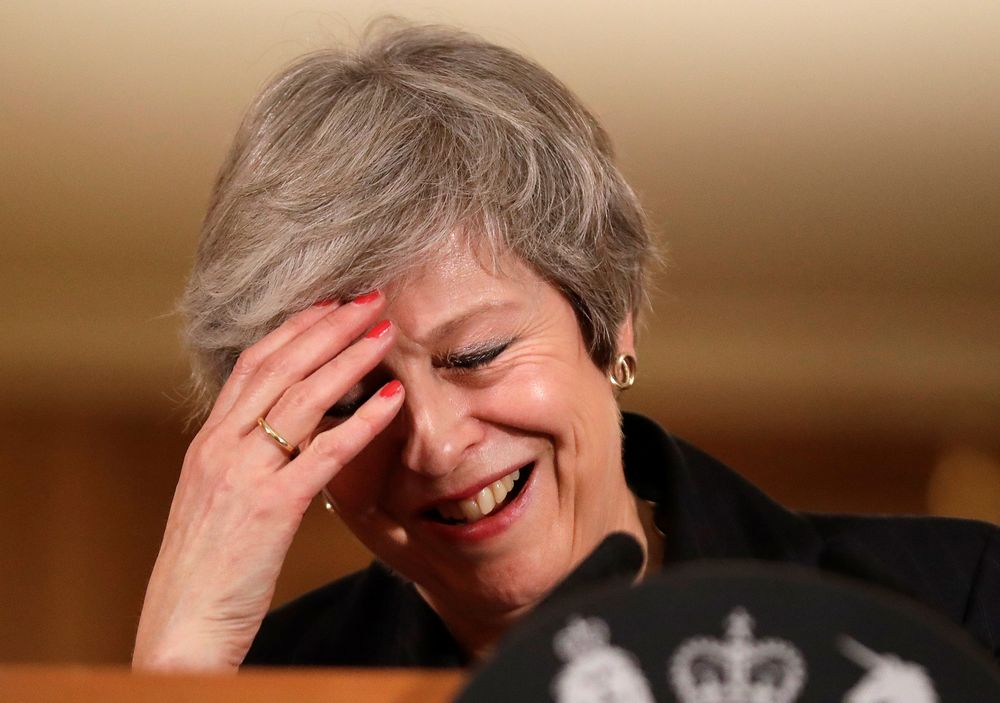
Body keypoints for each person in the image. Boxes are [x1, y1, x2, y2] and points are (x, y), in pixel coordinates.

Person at [132, 22, 999, 671]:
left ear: (609, 316)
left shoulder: (957, 600)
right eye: (354, 399)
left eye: (476, 355)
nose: (434, 445)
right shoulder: (268, 683)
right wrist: (179, 663)